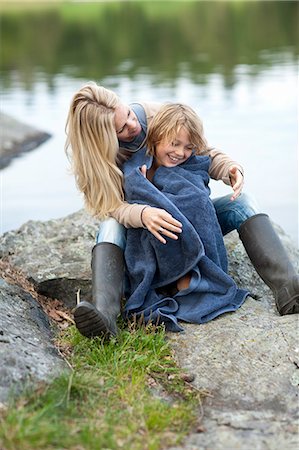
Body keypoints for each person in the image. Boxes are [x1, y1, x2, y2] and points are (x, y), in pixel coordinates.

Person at [65, 82, 299, 338]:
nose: (135, 125)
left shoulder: (153, 115)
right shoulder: (98, 162)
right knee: (109, 226)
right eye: (121, 128)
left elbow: (201, 151)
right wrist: (143, 215)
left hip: (192, 223)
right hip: (145, 233)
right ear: (103, 139)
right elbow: (110, 207)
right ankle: (105, 315)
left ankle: (288, 290)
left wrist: (230, 169)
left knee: (244, 203)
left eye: (129, 114)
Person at [123, 103, 249, 331]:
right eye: (174, 144)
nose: (180, 153)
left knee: (214, 203)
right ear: (157, 137)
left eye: (188, 147)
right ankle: (166, 281)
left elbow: (200, 193)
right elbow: (131, 195)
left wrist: (232, 168)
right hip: (153, 238)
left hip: (190, 234)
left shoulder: (191, 165)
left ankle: (286, 286)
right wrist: (144, 190)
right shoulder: (138, 166)